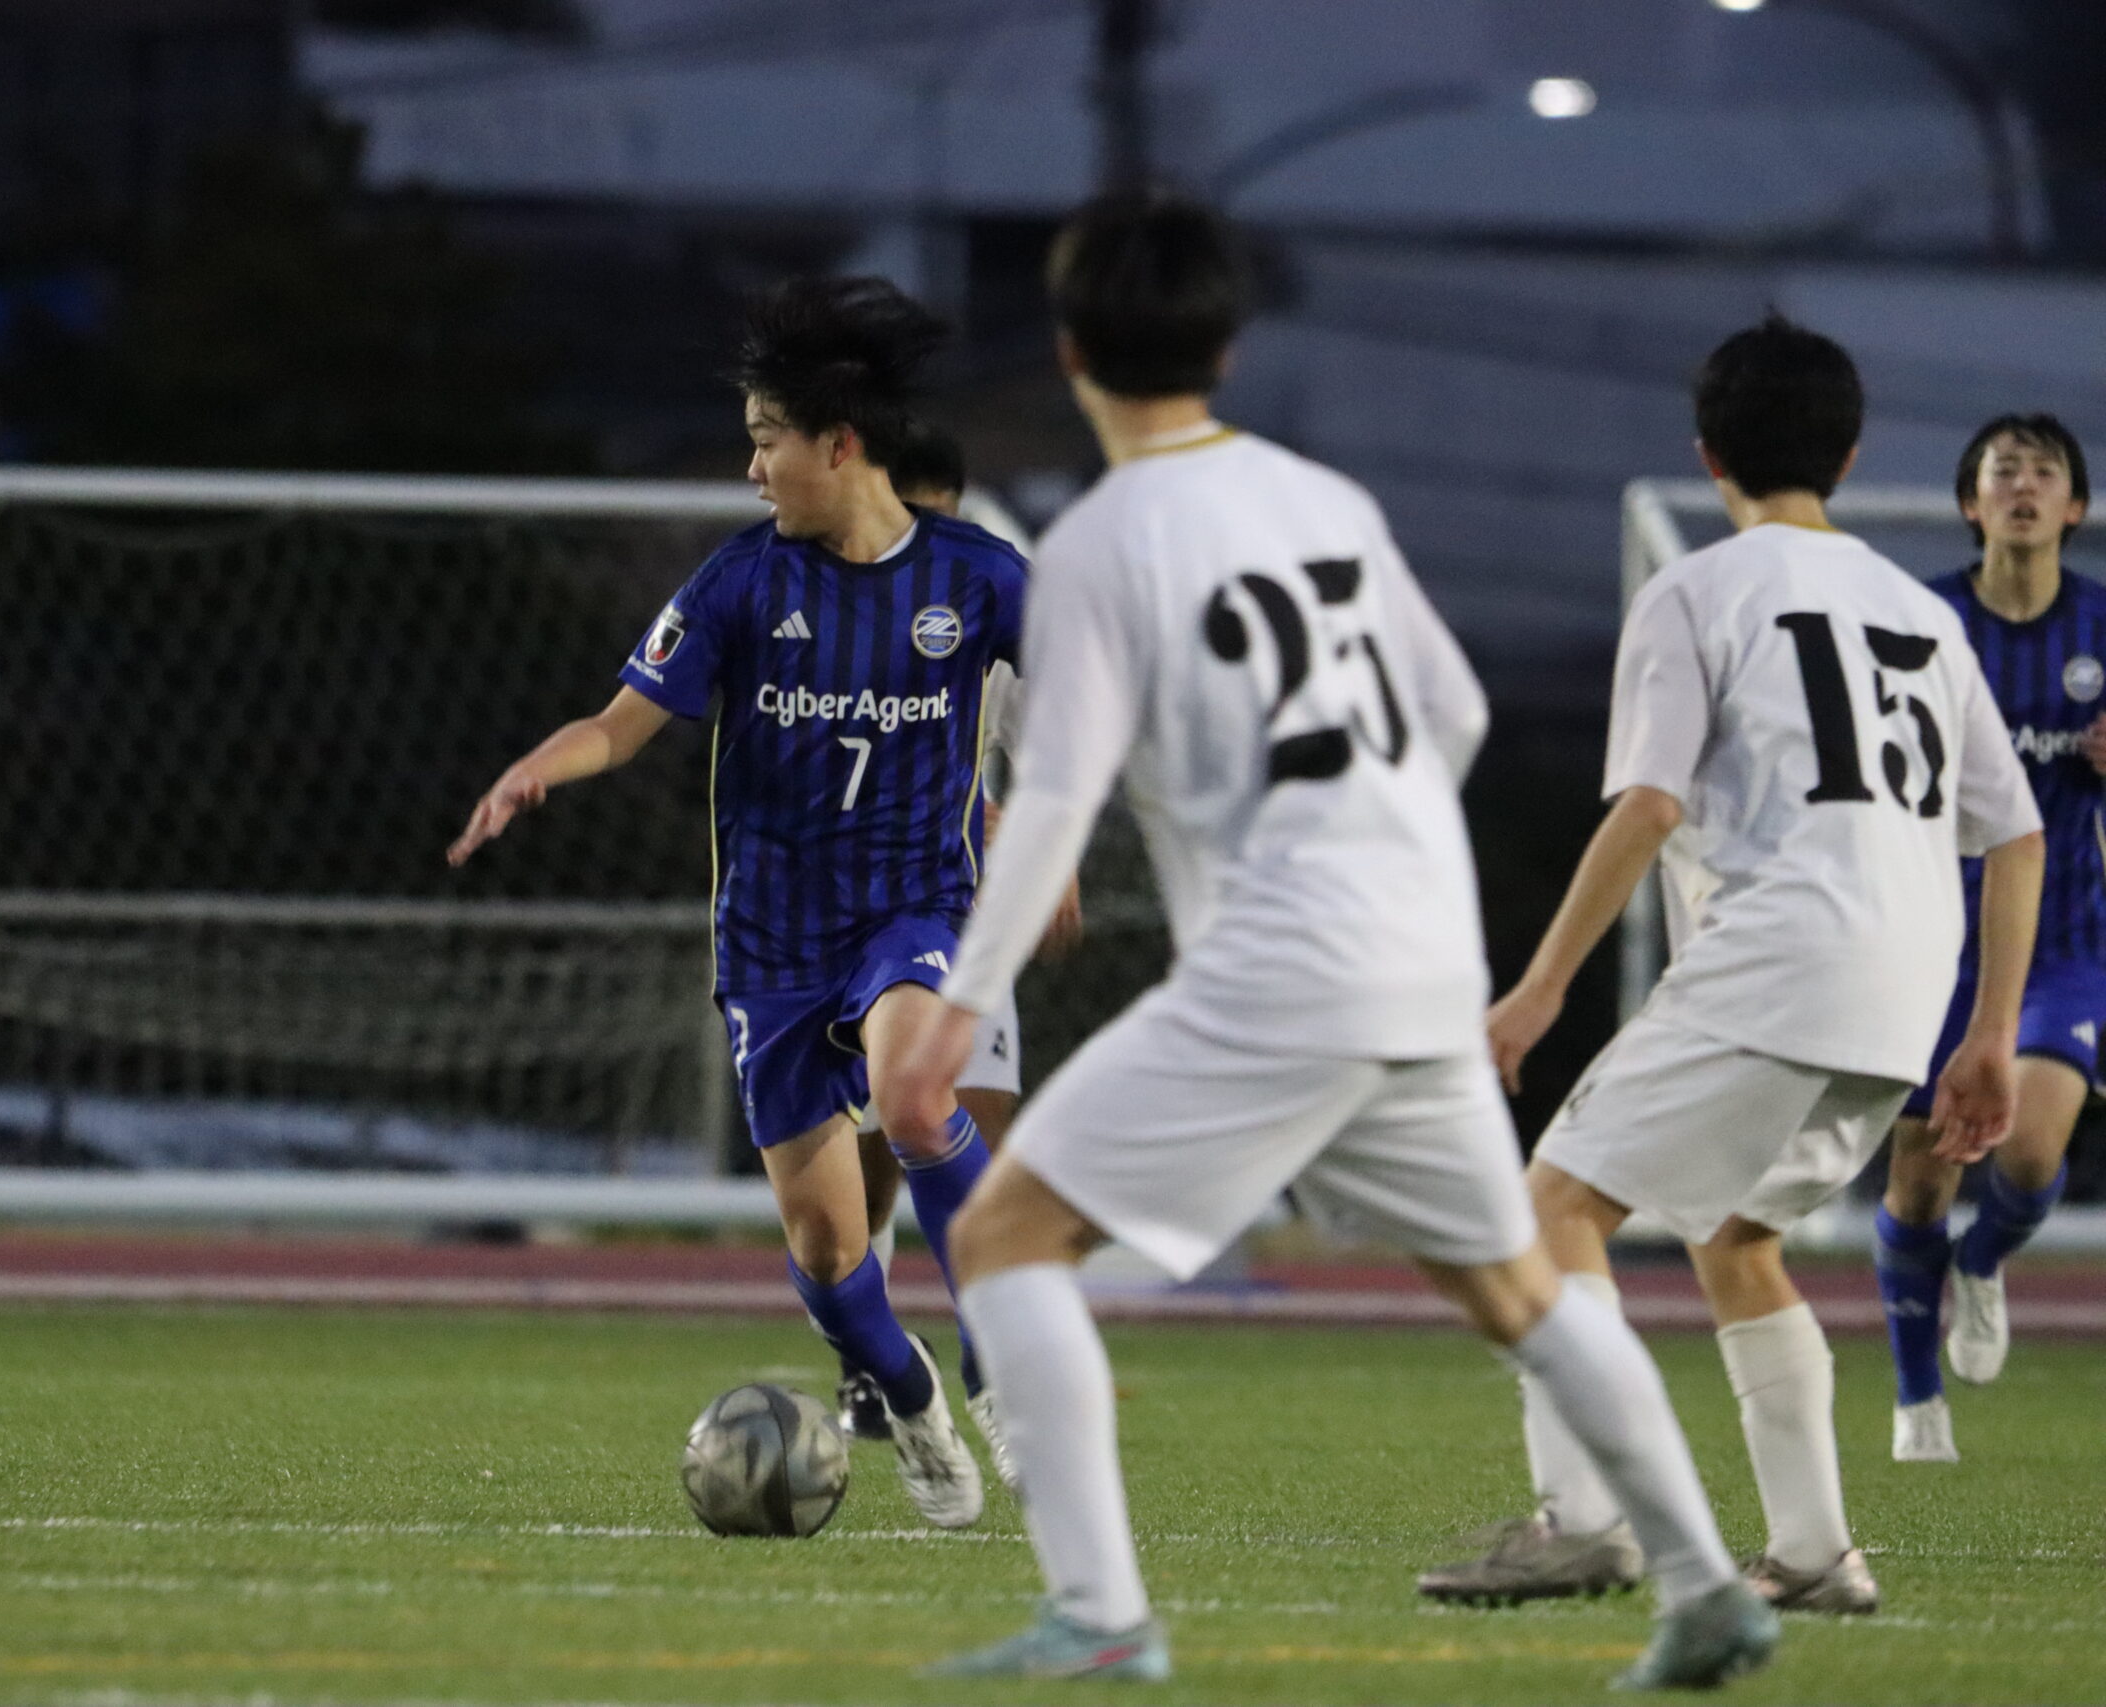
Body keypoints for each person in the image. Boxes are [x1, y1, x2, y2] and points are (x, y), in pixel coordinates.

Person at [884, 193, 1771, 1690]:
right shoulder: (1322, 498)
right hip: (1420, 948)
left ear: (1071, 350)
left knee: (1004, 1237)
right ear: (1228, 348)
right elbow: (1456, 709)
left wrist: (956, 1011)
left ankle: (1101, 1618)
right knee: (1515, 1292)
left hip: (1283, 965)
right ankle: (1704, 1590)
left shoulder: (1097, 539)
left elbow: (1054, 796)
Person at [1421, 317, 2043, 1617]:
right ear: (1850, 454)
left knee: (1549, 1211)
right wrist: (1990, 1032)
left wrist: (1538, 989)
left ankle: (1582, 1520)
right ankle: (1815, 1554)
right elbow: (2017, 830)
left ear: (1707, 455)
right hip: (1902, 989)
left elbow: (1649, 805)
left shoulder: (1697, 590)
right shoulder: (1922, 612)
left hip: (1780, 957)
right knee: (1738, 1239)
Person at [450, 277, 1020, 1528]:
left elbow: (1089, 687)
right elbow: (620, 724)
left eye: (768, 439)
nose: (752, 467)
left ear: (840, 444)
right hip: (772, 943)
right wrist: (543, 763)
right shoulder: (738, 585)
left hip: (912, 909)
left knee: (915, 1097)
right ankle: (907, 1393)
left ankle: (1007, 1368)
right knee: (827, 1254)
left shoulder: (980, 579)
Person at [838, 423, 1079, 1468]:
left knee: (971, 1128)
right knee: (867, 1155)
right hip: (838, 911)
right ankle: (869, 1355)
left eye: (946, 516)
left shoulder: (982, 592)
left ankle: (993, 1368)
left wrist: (1054, 849)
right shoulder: (826, 595)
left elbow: (1046, 742)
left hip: (957, 906)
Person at [1873, 414, 2098, 1462]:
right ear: (1971, 502)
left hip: (2064, 941)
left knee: (2032, 1145)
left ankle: (1983, 1259)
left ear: (2073, 507)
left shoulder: (2101, 626)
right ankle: (1917, 1402)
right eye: (2002, 471)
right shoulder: (1921, 622)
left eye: (2043, 472)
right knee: (1920, 1178)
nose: (2022, 485)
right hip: (1932, 943)